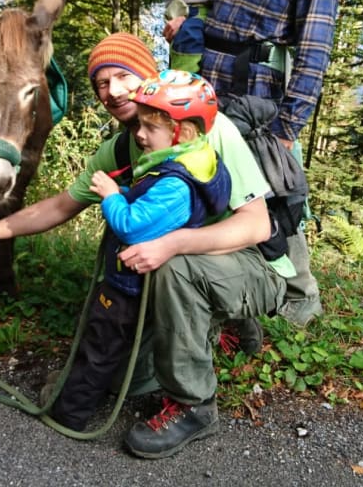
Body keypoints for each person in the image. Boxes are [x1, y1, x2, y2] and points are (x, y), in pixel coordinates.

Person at [0, 32, 287, 458]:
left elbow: (257, 227)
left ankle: (196, 404)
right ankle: (206, 324)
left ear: (149, 76)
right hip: (177, 267)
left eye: (123, 75)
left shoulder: (207, 129)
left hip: (250, 263)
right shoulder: (125, 145)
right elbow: (59, 206)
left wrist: (172, 243)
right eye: (101, 82)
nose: (112, 90)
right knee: (123, 380)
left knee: (170, 264)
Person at [165, 0, 343, 326]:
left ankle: (300, 296)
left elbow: (314, 50)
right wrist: (186, 29)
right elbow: (212, 8)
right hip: (211, 89)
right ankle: (228, 295)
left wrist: (289, 126)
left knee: (273, 196)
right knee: (216, 189)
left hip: (262, 99)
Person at [49, 69, 233, 431]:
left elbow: (131, 226)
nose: (139, 135)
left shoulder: (176, 184)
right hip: (142, 282)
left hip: (128, 286)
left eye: (150, 128)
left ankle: (67, 414)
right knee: (107, 348)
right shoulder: (195, 161)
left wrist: (111, 197)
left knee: (98, 348)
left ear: (183, 132)